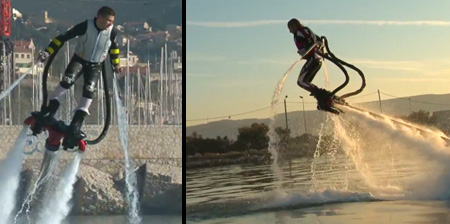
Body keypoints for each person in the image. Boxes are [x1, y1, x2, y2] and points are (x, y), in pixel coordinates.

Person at [32, 6, 121, 148]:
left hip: (95, 65)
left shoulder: (112, 32)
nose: (110, 23)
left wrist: (116, 64)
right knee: (67, 81)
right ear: (99, 17)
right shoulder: (86, 26)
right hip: (79, 60)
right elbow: (63, 38)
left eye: (112, 21)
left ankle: (76, 125)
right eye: (108, 20)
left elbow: (114, 48)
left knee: (89, 91)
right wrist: (47, 52)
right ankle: (49, 112)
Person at [287, 18, 334, 111]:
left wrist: (308, 48)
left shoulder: (301, 31)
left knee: (301, 81)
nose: (290, 31)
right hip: (315, 59)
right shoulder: (303, 31)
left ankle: (322, 96)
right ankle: (323, 97)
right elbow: (318, 40)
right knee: (305, 82)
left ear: (294, 26)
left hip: (314, 59)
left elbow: (314, 41)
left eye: (290, 28)